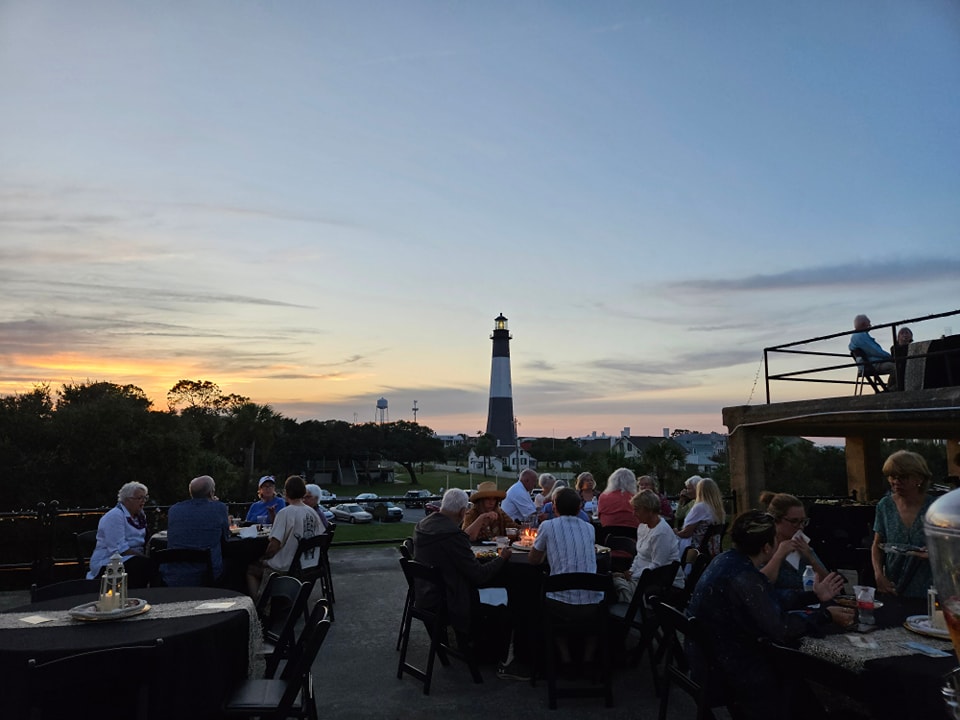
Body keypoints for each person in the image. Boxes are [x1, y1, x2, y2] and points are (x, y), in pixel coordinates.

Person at [687, 510, 852, 719]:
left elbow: (765, 598)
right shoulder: (743, 576)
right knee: (801, 678)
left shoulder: (726, 559)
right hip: (729, 673)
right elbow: (781, 629)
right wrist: (826, 616)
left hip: (707, 662)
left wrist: (813, 595)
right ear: (767, 547)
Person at [412, 488, 512, 645]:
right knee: (506, 594)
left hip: (426, 594)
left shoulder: (423, 525)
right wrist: (501, 558)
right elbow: (480, 575)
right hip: (451, 599)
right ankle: (494, 649)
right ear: (461, 512)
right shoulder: (452, 536)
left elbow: (458, 541)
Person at [529, 487, 605, 667]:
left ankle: (565, 657)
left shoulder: (547, 526)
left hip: (559, 605)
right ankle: (587, 658)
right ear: (579, 508)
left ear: (554, 508)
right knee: (590, 614)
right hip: (593, 605)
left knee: (544, 600)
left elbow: (533, 560)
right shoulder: (589, 528)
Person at [246, 475, 323, 597]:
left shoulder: (285, 513)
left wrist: (264, 558)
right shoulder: (312, 512)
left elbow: (274, 546)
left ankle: (259, 605)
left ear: (286, 493)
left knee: (251, 569)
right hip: (309, 564)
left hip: (288, 567)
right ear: (303, 493)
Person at [871, 450, 934, 598]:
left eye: (903, 477)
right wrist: (879, 574)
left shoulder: (935, 508)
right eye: (892, 476)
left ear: (919, 478)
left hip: (929, 587)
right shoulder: (885, 506)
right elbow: (877, 545)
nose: (896, 482)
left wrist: (935, 553)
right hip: (893, 586)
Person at [759, 492, 835, 609]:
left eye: (803, 521)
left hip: (811, 607)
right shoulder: (765, 548)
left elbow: (829, 584)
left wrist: (811, 558)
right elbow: (759, 585)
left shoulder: (803, 546)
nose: (800, 527)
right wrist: (779, 555)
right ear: (776, 521)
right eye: (794, 521)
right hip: (781, 609)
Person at [612, 490, 681, 603]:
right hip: (643, 575)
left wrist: (632, 575)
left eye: (637, 509)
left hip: (662, 580)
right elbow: (639, 556)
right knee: (612, 581)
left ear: (649, 510)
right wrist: (631, 571)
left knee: (615, 587)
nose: (634, 513)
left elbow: (658, 565)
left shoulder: (661, 533)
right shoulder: (643, 527)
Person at [165, 474, 231, 586]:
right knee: (235, 563)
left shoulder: (174, 509)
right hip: (206, 573)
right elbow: (226, 536)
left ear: (191, 493)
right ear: (211, 493)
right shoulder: (219, 507)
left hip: (173, 573)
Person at [87, 481, 156, 588]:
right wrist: (145, 557)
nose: (143, 501)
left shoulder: (140, 516)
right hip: (110, 560)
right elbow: (119, 549)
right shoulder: (115, 516)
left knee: (158, 562)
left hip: (134, 557)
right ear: (127, 500)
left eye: (144, 498)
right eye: (139, 498)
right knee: (143, 564)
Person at [675, 477, 725, 555]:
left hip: (694, 548)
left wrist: (675, 532)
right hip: (712, 547)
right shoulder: (717, 508)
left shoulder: (700, 507)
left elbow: (686, 533)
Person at [849, 314, 895, 383]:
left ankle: (892, 388)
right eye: (869, 323)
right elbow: (875, 351)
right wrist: (890, 357)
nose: (870, 325)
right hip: (872, 365)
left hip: (869, 364)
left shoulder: (857, 336)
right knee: (896, 367)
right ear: (863, 324)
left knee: (896, 366)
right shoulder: (860, 336)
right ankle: (894, 388)